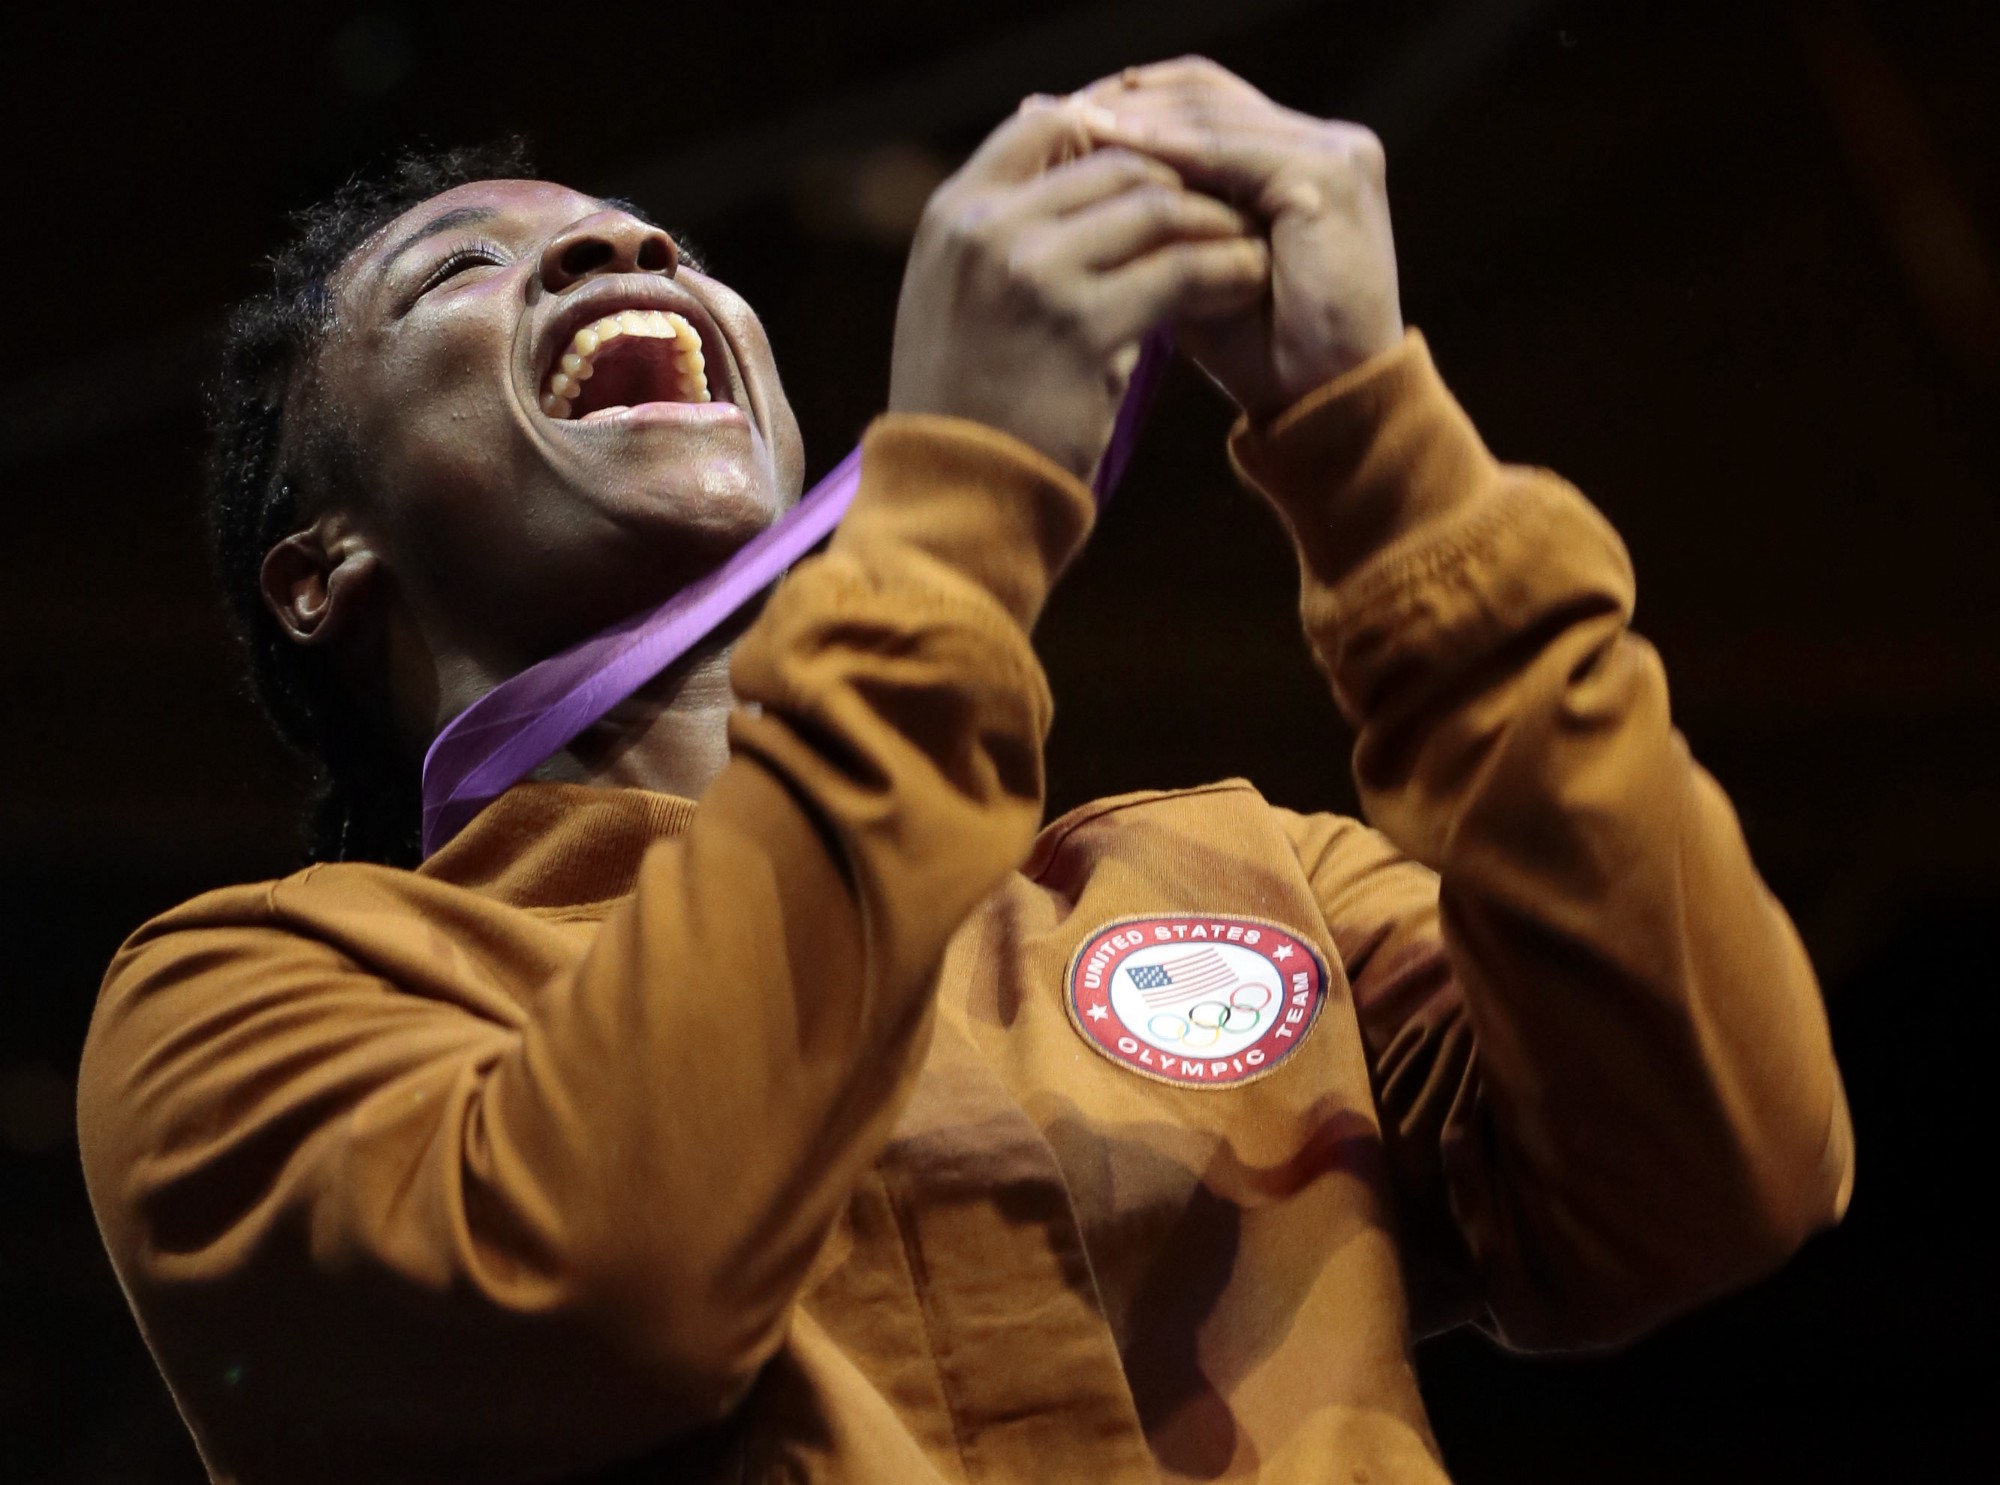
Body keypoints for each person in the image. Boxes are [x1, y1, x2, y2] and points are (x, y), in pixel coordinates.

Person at [78, 59, 1852, 1485]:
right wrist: (967, 499)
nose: (627, 256)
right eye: (456, 270)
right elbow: (600, 1284)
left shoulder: (1236, 882)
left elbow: (1719, 1166)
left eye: (658, 242)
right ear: (316, 567)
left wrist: (1370, 432)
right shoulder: (248, 1003)